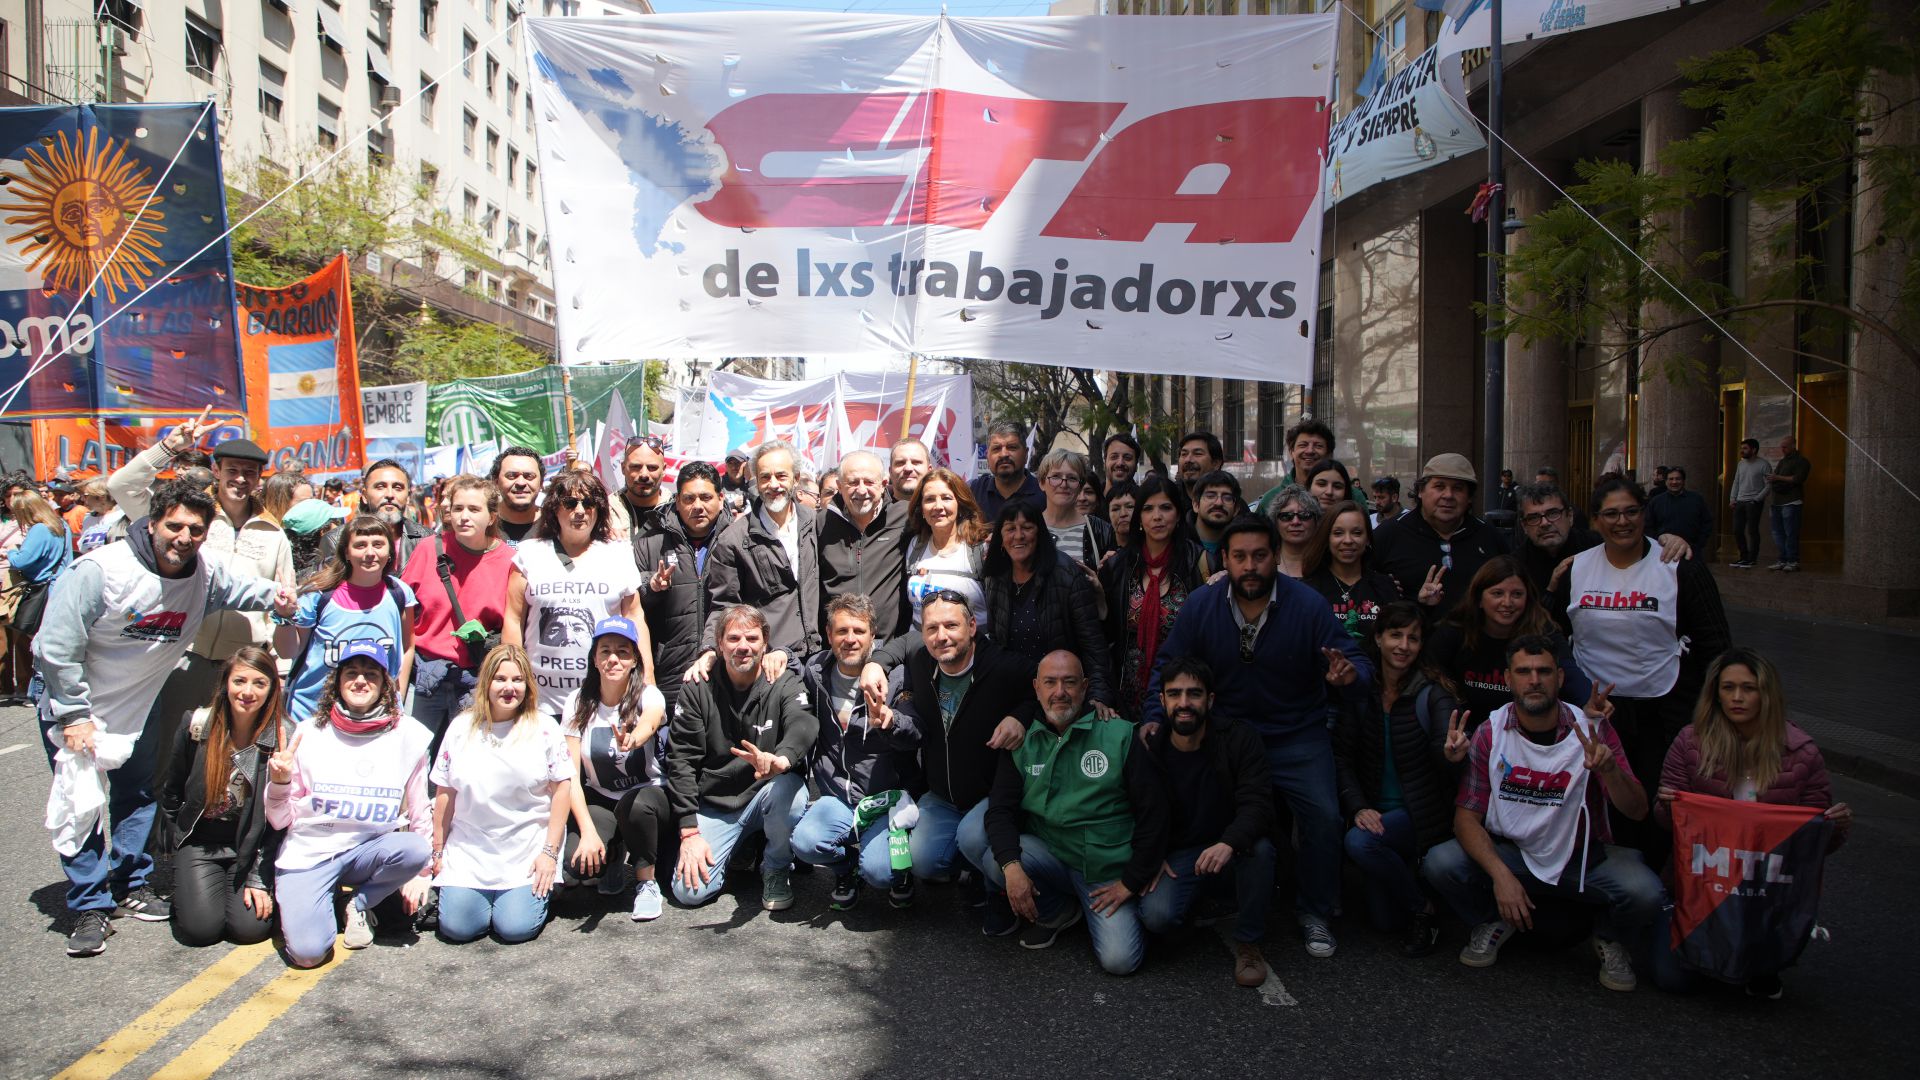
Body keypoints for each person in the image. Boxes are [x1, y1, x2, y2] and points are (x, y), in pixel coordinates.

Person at [36, 479, 294, 957]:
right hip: (77, 701)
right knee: (81, 801)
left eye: (195, 530)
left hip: (140, 698)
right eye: (174, 525)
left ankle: (130, 880)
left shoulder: (204, 573)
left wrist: (277, 597)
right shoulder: (99, 571)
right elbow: (55, 649)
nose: (184, 537)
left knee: (136, 795)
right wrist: (73, 714)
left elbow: (241, 587)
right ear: (151, 523)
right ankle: (90, 903)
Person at [1144, 514, 1373, 959]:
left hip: (1296, 735)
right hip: (1226, 735)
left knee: (1324, 818)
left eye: (1260, 556)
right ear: (1223, 560)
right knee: (1219, 818)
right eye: (1240, 557)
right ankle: (1226, 894)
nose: (1251, 566)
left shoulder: (1307, 605)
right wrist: (1155, 714)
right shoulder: (1201, 606)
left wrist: (1349, 677)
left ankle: (1315, 912)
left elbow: (1357, 662)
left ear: (1276, 558)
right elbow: (1168, 664)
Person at [1421, 636, 1662, 991]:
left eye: (1544, 671)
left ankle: (1610, 939)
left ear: (1560, 679)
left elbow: (1639, 810)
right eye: (1524, 671)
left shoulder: (1591, 729)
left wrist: (1610, 771)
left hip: (1583, 859)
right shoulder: (1491, 732)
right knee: (1440, 863)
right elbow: (1465, 818)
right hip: (1514, 854)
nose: (1534, 680)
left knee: (1646, 892)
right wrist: (1501, 876)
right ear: (1507, 679)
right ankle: (1492, 920)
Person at [1650, 647, 1852, 997]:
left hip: (1764, 888)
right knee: (1675, 980)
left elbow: (1812, 845)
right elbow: (1667, 824)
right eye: (1728, 688)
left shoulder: (1802, 753)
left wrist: (1834, 827)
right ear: (1716, 693)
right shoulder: (1690, 742)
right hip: (1701, 882)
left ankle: (1759, 956)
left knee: (1748, 973)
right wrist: (1669, 806)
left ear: (1766, 693)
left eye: (1749, 688)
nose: (1737, 697)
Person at [1553, 476, 1731, 858]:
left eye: (1631, 511)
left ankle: (1657, 883)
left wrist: (1713, 707)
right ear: (1597, 520)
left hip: (1664, 707)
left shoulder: (1680, 566)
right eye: (1611, 514)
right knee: (1603, 798)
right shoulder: (1576, 569)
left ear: (1645, 514)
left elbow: (1716, 642)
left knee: (1659, 803)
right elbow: (1554, 636)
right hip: (1597, 710)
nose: (1622, 522)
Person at [108, 424, 294, 770]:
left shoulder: (275, 535)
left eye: (249, 473)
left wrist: (279, 669)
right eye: (232, 471)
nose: (240, 479)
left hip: (243, 668)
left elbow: (284, 603)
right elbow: (120, 486)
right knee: (170, 760)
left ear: (259, 480)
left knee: (233, 765)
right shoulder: (188, 519)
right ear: (216, 472)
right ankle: (164, 824)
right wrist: (168, 447)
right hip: (184, 658)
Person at [970, 650, 1167, 974]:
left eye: (1069, 682)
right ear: (1036, 688)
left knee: (1120, 961)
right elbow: (1000, 810)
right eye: (1050, 682)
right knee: (997, 858)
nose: (1059, 692)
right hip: (1053, 856)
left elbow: (1154, 812)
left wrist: (1130, 882)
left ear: (1085, 687)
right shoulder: (1022, 739)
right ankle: (1058, 909)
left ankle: (1090, 905)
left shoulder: (1118, 734)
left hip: (1106, 873)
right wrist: (1013, 867)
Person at [267, 641, 434, 967]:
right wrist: (280, 782)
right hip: (310, 853)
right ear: (338, 681)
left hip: (367, 851)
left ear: (385, 683)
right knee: (308, 954)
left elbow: (419, 809)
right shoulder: (308, 733)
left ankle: (357, 903)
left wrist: (422, 873)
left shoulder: (407, 735)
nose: (360, 681)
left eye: (371, 674)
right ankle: (315, 900)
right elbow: (277, 820)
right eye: (352, 673)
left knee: (416, 849)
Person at [858, 590, 1034, 897]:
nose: (942, 636)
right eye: (932, 628)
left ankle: (989, 884)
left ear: (972, 627)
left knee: (971, 836)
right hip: (942, 796)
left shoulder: (1002, 665)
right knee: (923, 862)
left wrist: (1021, 716)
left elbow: (1049, 686)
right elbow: (900, 644)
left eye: (951, 626)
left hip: (991, 794)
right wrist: (874, 664)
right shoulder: (920, 654)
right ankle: (973, 865)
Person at [1138, 657, 1277, 987]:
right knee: (1157, 918)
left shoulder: (1239, 738)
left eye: (1194, 694)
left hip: (1230, 846)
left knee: (1260, 849)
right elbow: (1138, 809)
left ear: (1210, 700)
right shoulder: (1149, 747)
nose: (1184, 703)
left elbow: (1258, 804)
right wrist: (1150, 856)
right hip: (1182, 853)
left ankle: (1248, 942)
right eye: (1174, 694)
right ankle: (1204, 905)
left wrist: (1229, 842)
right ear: (1162, 701)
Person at [1334, 603, 1463, 957]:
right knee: (1385, 922)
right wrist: (1358, 806)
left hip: (1419, 814)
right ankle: (1410, 880)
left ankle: (1424, 907)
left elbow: (1444, 751)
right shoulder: (1361, 691)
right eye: (1395, 635)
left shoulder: (1433, 693)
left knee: (1360, 844)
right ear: (1378, 638)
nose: (1403, 645)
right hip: (1377, 812)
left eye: (1413, 638)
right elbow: (1342, 756)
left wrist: (1452, 754)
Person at [667, 605, 817, 910]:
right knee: (688, 893)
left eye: (751, 638)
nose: (743, 647)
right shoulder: (698, 687)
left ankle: (775, 867)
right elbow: (681, 759)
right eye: (733, 638)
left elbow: (804, 723)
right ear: (719, 644)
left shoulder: (783, 681)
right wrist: (689, 831)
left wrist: (783, 760)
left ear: (765, 643)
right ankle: (743, 846)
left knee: (792, 793)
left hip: (766, 794)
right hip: (717, 802)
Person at [429, 644, 570, 944]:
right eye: (500, 679)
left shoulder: (545, 727)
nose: (509, 688)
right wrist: (438, 849)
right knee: (458, 928)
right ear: (486, 684)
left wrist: (549, 853)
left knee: (514, 928)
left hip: (526, 849)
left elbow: (562, 790)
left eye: (517, 680)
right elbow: (445, 793)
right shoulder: (460, 728)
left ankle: (523, 897)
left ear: (528, 685)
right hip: (470, 850)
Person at [791, 594, 917, 910]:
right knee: (805, 843)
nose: (850, 639)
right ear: (829, 634)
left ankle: (893, 867)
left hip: (883, 799)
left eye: (859, 631)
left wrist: (891, 722)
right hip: (837, 796)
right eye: (842, 631)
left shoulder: (897, 677)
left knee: (881, 872)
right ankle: (847, 869)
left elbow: (917, 735)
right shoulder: (815, 670)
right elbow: (788, 666)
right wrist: (778, 651)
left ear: (872, 636)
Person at [157, 646, 287, 948]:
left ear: (271, 690)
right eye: (239, 681)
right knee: (201, 931)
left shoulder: (283, 737)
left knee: (249, 930)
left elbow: (281, 822)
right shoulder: (197, 725)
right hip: (201, 843)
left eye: (259, 683)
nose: (247, 691)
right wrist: (175, 841)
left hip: (250, 847)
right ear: (226, 684)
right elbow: (172, 790)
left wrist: (258, 877)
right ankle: (191, 890)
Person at [503, 470, 648, 720]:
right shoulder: (529, 554)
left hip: (602, 700)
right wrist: (513, 679)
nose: (580, 511)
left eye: (589, 503)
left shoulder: (618, 553)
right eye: (570, 503)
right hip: (541, 702)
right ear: (554, 509)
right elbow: (513, 619)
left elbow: (634, 617)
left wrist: (647, 683)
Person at [559, 617, 673, 920]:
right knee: (576, 866)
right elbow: (570, 773)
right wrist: (587, 833)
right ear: (594, 659)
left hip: (647, 798)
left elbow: (651, 719)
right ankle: (612, 853)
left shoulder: (648, 694)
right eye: (605, 651)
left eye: (622, 652)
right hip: (602, 798)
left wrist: (635, 738)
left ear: (634, 659)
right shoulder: (578, 702)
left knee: (634, 808)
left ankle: (646, 882)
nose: (613, 659)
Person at [400, 474, 515, 756]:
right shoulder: (428, 549)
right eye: (458, 508)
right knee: (415, 760)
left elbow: (513, 621)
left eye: (474, 510)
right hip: (425, 677)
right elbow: (404, 612)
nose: (464, 517)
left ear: (491, 516)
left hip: (475, 679)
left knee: (470, 763)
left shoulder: (508, 560)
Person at [277, 515, 417, 724]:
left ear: (389, 552)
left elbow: (406, 648)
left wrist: (398, 697)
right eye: (360, 545)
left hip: (376, 716)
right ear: (346, 553)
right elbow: (288, 651)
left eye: (378, 544)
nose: (370, 553)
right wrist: (285, 615)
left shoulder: (399, 593)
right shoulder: (319, 595)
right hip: (312, 716)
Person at [981, 501, 1113, 710]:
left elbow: (1093, 645)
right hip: (1015, 693)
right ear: (1000, 537)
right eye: (1010, 529)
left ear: (1040, 533)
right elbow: (997, 642)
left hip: (1062, 695)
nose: (1018, 536)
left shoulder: (1067, 575)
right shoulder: (996, 577)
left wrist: (1098, 696)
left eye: (1027, 527)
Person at [1428, 556, 1591, 725]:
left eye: (1517, 594)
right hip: (1465, 731)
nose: (1507, 602)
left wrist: (1588, 699)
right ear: (1479, 599)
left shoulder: (1542, 629)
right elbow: (1429, 671)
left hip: (1525, 731)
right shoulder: (1455, 631)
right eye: (1497, 593)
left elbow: (1568, 669)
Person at [1102, 476, 1209, 722]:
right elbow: (1106, 633)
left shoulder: (1199, 563)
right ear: (1139, 517)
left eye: (1165, 507)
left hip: (1182, 691)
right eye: (1148, 509)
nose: (1157, 516)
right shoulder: (1118, 566)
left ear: (1179, 514)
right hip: (1125, 692)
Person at [706, 440, 821, 661]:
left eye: (781, 476)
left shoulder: (815, 524)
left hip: (818, 657)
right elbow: (724, 606)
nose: (773, 484)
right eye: (765, 477)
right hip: (768, 662)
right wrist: (710, 649)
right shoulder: (734, 539)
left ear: (796, 479)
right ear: (756, 482)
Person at [635, 461, 732, 718]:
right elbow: (630, 606)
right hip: (669, 675)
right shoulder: (650, 543)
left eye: (706, 497)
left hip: (729, 673)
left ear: (721, 499)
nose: (697, 506)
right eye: (689, 498)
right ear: (677, 501)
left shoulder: (739, 538)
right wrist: (652, 587)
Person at [1371, 453, 1511, 615]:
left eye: (1458, 488)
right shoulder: (1389, 534)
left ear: (1469, 497)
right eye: (1439, 486)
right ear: (1421, 491)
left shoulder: (1489, 538)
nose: (1448, 495)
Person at [818, 450, 911, 645]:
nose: (861, 490)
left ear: (884, 484)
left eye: (869, 482)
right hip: (838, 648)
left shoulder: (905, 517)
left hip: (888, 649)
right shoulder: (820, 524)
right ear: (839, 486)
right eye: (853, 482)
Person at [1302, 499, 1401, 643]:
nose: (1348, 540)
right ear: (1327, 538)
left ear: (1367, 538)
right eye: (1338, 533)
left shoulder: (1384, 586)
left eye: (1357, 532)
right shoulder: (1308, 590)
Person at [903, 466, 990, 628]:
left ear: (960, 505)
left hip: (972, 649)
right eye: (929, 499)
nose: (938, 506)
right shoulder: (915, 545)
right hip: (921, 648)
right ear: (921, 508)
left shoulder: (980, 548)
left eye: (946, 498)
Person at [324, 459, 432, 566]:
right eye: (380, 487)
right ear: (365, 496)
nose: (390, 494)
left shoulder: (428, 539)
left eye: (398, 488)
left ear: (408, 496)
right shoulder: (336, 541)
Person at [1037, 449, 1116, 569]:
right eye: (1056, 477)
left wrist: (1101, 584)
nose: (1063, 484)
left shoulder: (1102, 531)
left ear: (1080, 486)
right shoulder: (1027, 527)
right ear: (1042, 482)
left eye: (1072, 478)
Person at [1254, 418, 1334, 516]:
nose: (1309, 451)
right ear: (1292, 452)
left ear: (1329, 454)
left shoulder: (1350, 495)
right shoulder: (1270, 500)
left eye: (1318, 446)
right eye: (1303, 445)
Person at [970, 420, 1045, 520]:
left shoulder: (1044, 493)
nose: (1004, 454)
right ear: (987, 456)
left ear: (1026, 454)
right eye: (996, 448)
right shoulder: (974, 492)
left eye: (1012, 447)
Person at [1647, 466, 1713, 561]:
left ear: (1683, 481)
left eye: (1678, 479)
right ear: (1665, 481)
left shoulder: (1696, 499)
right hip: (1663, 553)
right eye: (1671, 479)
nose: (1674, 482)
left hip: (1691, 552)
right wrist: (1658, 542)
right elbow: (1648, 526)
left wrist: (1699, 544)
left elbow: (1707, 522)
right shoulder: (1656, 502)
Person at [1766, 436, 1811, 572]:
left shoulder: (1801, 461)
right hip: (1777, 501)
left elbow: (1797, 479)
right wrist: (1774, 479)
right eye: (1781, 446)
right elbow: (1776, 476)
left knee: (1790, 532)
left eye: (1785, 446)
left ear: (1793, 446)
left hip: (1792, 501)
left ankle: (1792, 560)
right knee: (1777, 533)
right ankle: (1782, 559)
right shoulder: (1782, 462)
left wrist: (1778, 478)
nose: (1782, 449)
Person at [488, 447, 546, 548]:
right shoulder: (482, 525)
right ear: (496, 482)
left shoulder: (556, 524)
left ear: (541, 483)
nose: (521, 483)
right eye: (511, 475)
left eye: (529, 476)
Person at [1264, 485, 1323, 579]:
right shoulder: (1265, 563)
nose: (1295, 522)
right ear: (1275, 523)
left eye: (1304, 515)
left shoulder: (1330, 563)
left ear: (1316, 522)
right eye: (1286, 516)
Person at [1728, 438, 1769, 569]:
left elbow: (1769, 485)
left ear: (1754, 449)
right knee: (1737, 530)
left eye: (1745, 448)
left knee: (1752, 530)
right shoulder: (1741, 464)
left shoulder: (1763, 464)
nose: (1742, 451)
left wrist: (1757, 499)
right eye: (1742, 448)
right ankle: (1743, 557)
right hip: (1740, 501)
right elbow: (1736, 481)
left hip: (1753, 502)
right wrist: (1732, 498)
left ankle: (1752, 558)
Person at [1189, 470, 1242, 573]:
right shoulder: (1177, 542)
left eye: (1227, 498)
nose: (1218, 503)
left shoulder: (1243, 546)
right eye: (1210, 496)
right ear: (1196, 504)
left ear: (1236, 509)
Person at [1175, 431, 1225, 500]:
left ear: (1216, 463)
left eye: (1197, 453)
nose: (1188, 460)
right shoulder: (1167, 497)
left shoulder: (1229, 503)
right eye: (1184, 454)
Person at [888, 437, 932, 503]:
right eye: (900, 463)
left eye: (916, 462)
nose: (908, 468)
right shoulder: (872, 510)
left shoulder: (942, 510)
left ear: (929, 471)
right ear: (890, 471)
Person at [1103, 481, 1138, 551]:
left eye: (1130, 507)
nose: (1123, 514)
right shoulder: (1100, 550)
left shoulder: (1152, 548)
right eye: (1115, 509)